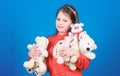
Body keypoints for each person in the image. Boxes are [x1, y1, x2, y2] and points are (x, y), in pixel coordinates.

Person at [29, 4, 90, 76]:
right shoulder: (47, 41)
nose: (60, 23)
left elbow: (85, 64)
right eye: (58, 19)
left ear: (72, 23)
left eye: (65, 20)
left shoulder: (77, 39)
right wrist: (32, 55)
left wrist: (75, 53)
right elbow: (42, 66)